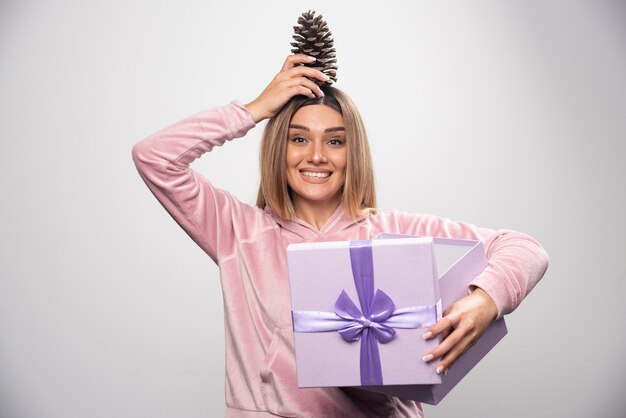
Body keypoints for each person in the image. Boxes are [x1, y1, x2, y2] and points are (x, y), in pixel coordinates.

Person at [131, 54, 549, 417]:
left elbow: (524, 248)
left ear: (354, 153)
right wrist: (257, 108)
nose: (316, 155)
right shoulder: (237, 232)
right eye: (298, 139)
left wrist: (485, 300)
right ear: (280, 148)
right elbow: (154, 157)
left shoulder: (393, 230)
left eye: (335, 141)